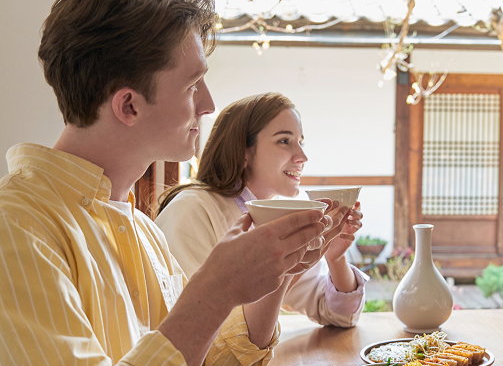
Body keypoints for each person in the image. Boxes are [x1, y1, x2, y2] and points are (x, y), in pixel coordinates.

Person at [0, 0, 340, 366]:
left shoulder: (137, 227)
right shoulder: (1, 233)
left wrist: (281, 268)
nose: (209, 105)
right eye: (194, 85)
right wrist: (213, 290)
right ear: (129, 105)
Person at [154, 92, 368, 331]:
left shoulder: (275, 217)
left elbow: (338, 314)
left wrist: (334, 257)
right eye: (284, 141)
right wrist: (290, 269)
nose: (303, 157)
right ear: (243, 151)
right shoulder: (191, 211)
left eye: (301, 142)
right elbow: (194, 331)